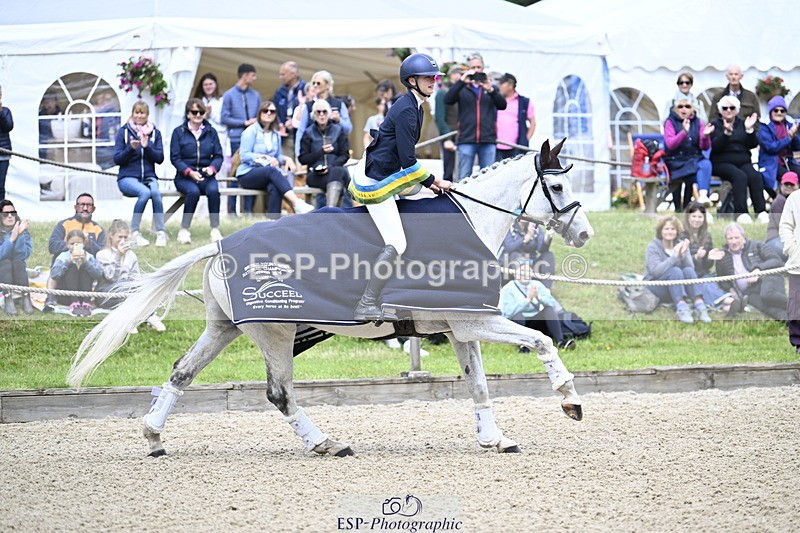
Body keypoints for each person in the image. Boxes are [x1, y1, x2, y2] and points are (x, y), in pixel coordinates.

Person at [348, 53, 452, 322]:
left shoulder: (415, 104)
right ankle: (366, 304)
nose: (433, 81)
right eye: (428, 77)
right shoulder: (408, 108)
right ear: (412, 80)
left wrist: (429, 184)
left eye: (435, 77)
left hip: (386, 171)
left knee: (423, 192)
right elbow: (408, 161)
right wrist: (434, 181)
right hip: (376, 183)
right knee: (398, 242)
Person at [236, 101, 314, 219]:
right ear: (260, 113)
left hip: (267, 176)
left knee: (274, 186)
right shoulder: (250, 131)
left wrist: (287, 159)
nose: (268, 113)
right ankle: (297, 203)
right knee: (272, 171)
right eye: (265, 111)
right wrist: (263, 157)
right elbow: (244, 156)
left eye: (272, 111)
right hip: (247, 173)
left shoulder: (275, 134)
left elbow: (277, 156)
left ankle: (273, 223)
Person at [444, 52, 507, 180]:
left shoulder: (491, 88)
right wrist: (462, 81)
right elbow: (448, 99)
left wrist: (491, 90)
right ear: (468, 69)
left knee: (488, 178)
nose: (476, 70)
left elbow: (502, 105)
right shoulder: (462, 87)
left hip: (487, 139)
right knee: (464, 178)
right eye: (473, 68)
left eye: (479, 67)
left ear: (483, 68)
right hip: (466, 138)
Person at [113, 101, 167, 248]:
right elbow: (117, 159)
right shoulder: (123, 132)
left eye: (142, 112)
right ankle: (134, 232)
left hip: (149, 177)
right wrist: (130, 148)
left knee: (155, 193)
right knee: (145, 193)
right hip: (127, 177)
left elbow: (160, 158)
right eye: (136, 112)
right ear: (132, 113)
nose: (139, 115)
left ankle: (161, 232)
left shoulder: (155, 134)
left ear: (147, 115)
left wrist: (147, 146)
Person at [95, 219, 165, 332]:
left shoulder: (131, 255)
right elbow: (110, 277)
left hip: (127, 292)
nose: (123, 240)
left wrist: (141, 287)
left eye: (125, 237)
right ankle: (131, 319)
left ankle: (149, 315)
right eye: (119, 237)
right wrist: (118, 255)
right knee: (125, 287)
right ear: (112, 236)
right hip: (106, 294)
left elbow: (136, 276)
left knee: (142, 286)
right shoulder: (102, 255)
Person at [170, 98, 224, 245]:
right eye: (194, 112)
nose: (198, 115)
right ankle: (184, 229)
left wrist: (212, 169)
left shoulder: (211, 132)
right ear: (188, 114)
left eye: (201, 112)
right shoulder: (178, 132)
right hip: (184, 176)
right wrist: (189, 172)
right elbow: (175, 158)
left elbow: (218, 155)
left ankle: (215, 228)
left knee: (214, 191)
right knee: (192, 192)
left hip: (206, 174)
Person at [708, 95, 766, 225]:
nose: (728, 110)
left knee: (755, 176)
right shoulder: (715, 124)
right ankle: (741, 212)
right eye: (725, 108)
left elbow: (752, 145)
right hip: (721, 161)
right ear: (720, 110)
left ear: (737, 109)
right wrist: (726, 134)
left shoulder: (742, 123)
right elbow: (715, 146)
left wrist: (749, 130)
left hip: (743, 161)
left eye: (732, 108)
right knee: (739, 177)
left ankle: (761, 211)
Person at [644, 215, 711, 323]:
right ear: (660, 231)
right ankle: (681, 307)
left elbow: (691, 268)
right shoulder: (653, 247)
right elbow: (655, 272)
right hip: (656, 286)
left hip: (677, 286)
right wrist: (674, 257)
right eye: (666, 229)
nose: (669, 232)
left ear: (677, 231)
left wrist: (683, 254)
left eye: (672, 229)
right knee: (675, 271)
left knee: (687, 271)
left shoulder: (681, 244)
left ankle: (700, 305)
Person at [715, 223, 787, 321]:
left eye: (737, 237)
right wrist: (731, 289)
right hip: (749, 291)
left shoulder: (756, 245)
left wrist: (758, 270)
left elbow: (776, 260)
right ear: (726, 240)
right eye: (730, 238)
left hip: (768, 279)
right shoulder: (722, 256)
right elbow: (722, 280)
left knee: (767, 295)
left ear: (743, 237)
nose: (734, 241)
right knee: (767, 309)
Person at [45, 192, 106, 310]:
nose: (85, 208)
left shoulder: (98, 229)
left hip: (87, 275)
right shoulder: (64, 224)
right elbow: (52, 246)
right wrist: (73, 244)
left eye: (89, 205)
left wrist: (89, 244)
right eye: (81, 204)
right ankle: (51, 297)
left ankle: (85, 301)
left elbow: (103, 254)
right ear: (75, 207)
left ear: (93, 208)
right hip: (65, 273)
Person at [680, 202, 739, 314]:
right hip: (687, 274)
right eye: (694, 216)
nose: (697, 219)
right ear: (688, 216)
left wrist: (709, 259)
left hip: (703, 273)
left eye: (700, 217)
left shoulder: (707, 236)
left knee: (712, 284)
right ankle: (730, 301)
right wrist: (696, 257)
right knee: (704, 286)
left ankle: (728, 307)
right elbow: (679, 261)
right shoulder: (681, 235)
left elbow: (707, 266)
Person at [221, 63, 261, 215]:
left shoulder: (255, 95)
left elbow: (260, 115)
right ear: (245, 76)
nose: (254, 78)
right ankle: (232, 211)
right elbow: (224, 117)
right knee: (234, 174)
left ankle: (248, 210)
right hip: (236, 139)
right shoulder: (229, 95)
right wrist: (244, 123)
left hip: (253, 139)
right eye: (253, 75)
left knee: (250, 172)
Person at [298, 99, 351, 208]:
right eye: (318, 112)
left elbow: (345, 155)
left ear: (329, 113)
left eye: (324, 112)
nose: (321, 115)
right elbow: (303, 159)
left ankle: (329, 211)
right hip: (316, 175)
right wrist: (320, 152)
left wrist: (330, 167)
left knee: (338, 171)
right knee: (339, 176)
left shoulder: (339, 130)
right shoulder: (308, 133)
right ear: (313, 115)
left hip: (335, 170)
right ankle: (333, 214)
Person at [662, 97, 713, 210]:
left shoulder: (698, 122)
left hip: (694, 160)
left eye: (687, 106)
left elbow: (704, 147)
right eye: (680, 107)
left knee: (706, 164)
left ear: (692, 109)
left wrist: (705, 137)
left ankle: (703, 197)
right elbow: (670, 144)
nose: (684, 109)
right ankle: (679, 209)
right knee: (686, 176)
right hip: (675, 162)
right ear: (675, 109)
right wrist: (684, 132)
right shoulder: (670, 122)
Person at [500, 277, 575, 351]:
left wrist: (539, 297)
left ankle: (561, 341)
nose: (525, 274)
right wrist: (527, 301)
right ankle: (523, 344)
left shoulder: (537, 285)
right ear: (515, 273)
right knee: (517, 315)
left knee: (549, 310)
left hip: (535, 322)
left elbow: (552, 304)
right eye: (522, 271)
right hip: (520, 324)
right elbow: (507, 313)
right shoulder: (508, 288)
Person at [294, 70, 352, 157]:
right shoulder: (308, 106)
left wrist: (339, 120)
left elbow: (348, 129)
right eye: (313, 83)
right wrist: (299, 152)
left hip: (335, 152)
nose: (315, 86)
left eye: (318, 83)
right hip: (313, 152)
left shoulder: (338, 104)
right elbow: (301, 130)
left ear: (328, 85)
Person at [49, 229, 104, 316]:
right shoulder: (63, 256)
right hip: (66, 295)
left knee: (84, 267)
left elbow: (99, 274)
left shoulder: (89, 256)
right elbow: (54, 275)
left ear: (84, 244)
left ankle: (86, 304)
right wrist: (68, 262)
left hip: (84, 295)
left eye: (78, 244)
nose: (75, 247)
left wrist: (86, 262)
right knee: (72, 268)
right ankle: (74, 302)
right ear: (67, 244)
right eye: (72, 244)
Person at [757, 95, 800, 197]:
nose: (779, 113)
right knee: (788, 177)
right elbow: (771, 148)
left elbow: (797, 147)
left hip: (788, 160)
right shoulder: (764, 126)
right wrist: (789, 137)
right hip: (770, 162)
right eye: (776, 110)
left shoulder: (790, 124)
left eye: (782, 111)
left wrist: (795, 134)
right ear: (771, 111)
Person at [498, 220, 555, 288]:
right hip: (510, 265)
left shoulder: (535, 228)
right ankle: (522, 289)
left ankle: (546, 290)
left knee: (548, 255)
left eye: (527, 213)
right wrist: (527, 237)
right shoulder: (510, 227)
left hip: (532, 265)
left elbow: (541, 250)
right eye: (522, 212)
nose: (525, 214)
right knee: (515, 254)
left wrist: (547, 237)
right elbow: (509, 247)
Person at [0, 200, 34, 315]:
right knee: (5, 262)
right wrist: (11, 239)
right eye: (6, 214)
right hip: (2, 276)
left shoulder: (23, 231)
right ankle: (8, 298)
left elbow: (23, 255)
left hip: (17, 274)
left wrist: (19, 235)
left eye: (13, 213)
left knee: (18, 262)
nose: (10, 216)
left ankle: (26, 297)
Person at [495, 72, 535, 161]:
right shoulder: (496, 100)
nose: (499, 86)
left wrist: (525, 139)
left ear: (510, 85)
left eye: (502, 83)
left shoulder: (524, 102)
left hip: (517, 148)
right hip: (496, 146)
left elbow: (532, 122)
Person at [779, 188, 800, 352]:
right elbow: (785, 226)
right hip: (797, 264)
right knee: (796, 305)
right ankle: (798, 342)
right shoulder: (794, 198)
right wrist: (793, 250)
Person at [434, 64, 463, 181]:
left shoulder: (464, 92)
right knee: (449, 170)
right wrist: (447, 138)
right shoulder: (442, 93)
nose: (460, 76)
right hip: (449, 134)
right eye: (458, 73)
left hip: (464, 134)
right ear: (452, 75)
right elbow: (439, 118)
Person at [272, 61, 306, 158]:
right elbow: (275, 111)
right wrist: (279, 123)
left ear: (293, 74)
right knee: (287, 166)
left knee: (301, 167)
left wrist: (295, 121)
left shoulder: (306, 89)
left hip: (301, 135)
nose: (280, 77)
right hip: (285, 136)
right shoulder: (279, 91)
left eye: (283, 74)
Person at [192, 72, 229, 163]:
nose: (208, 87)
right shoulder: (197, 100)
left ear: (215, 85)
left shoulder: (222, 100)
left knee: (219, 161)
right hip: (201, 134)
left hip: (219, 134)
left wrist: (210, 114)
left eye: (211, 84)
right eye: (205, 84)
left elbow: (225, 119)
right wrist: (204, 116)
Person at [766, 172, 798, 260]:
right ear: (781, 185)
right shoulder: (779, 201)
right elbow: (783, 227)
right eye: (786, 184)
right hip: (775, 239)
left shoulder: (794, 201)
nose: (788, 187)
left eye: (792, 184)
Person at [0, 85, 13, 201]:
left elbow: (8, 126)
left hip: (3, 155)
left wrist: (0, 113)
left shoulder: (5, 111)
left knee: (0, 186)